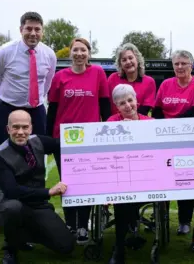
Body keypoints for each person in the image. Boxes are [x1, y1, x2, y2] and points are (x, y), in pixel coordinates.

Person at [0, 11, 57, 238]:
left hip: (36, 110)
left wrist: (34, 104)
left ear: (42, 31)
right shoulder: (5, 52)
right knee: (4, 162)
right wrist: (9, 106)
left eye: (37, 29)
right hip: (8, 108)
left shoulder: (49, 54)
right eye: (29, 29)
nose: (33, 33)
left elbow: (47, 83)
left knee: (36, 163)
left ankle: (34, 217)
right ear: (21, 30)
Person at [47, 37, 111, 244]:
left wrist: (106, 132)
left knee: (86, 184)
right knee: (67, 184)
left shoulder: (98, 73)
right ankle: (70, 225)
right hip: (63, 140)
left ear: (89, 54)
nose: (79, 54)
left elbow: (104, 105)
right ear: (70, 53)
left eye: (83, 50)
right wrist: (49, 139)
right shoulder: (59, 77)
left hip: (89, 140)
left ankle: (83, 226)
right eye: (75, 50)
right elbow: (53, 109)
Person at [0, 110, 75, 264]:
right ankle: (11, 247)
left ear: (31, 128)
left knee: (66, 247)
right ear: (8, 129)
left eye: (24, 127)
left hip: (38, 205)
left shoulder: (38, 140)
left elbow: (63, 144)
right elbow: (12, 191)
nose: (20, 132)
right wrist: (48, 191)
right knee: (12, 208)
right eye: (15, 127)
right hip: (12, 203)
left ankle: (26, 233)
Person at [152, 50, 194, 250]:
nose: (179, 67)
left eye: (184, 63)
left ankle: (185, 221)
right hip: (166, 140)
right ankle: (161, 219)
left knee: (185, 180)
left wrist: (172, 126)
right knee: (163, 179)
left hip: (189, 140)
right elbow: (157, 109)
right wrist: (165, 129)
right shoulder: (166, 84)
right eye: (176, 63)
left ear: (191, 66)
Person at [106, 84, 152, 264]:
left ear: (137, 101)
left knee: (124, 200)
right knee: (122, 197)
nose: (127, 105)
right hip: (120, 178)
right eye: (122, 103)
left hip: (146, 178)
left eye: (130, 100)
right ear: (117, 106)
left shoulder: (150, 122)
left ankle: (121, 243)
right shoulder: (111, 123)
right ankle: (119, 246)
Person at [107, 43, 156, 116]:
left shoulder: (149, 82)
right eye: (124, 60)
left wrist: (130, 120)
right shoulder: (112, 79)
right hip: (116, 123)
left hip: (138, 123)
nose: (128, 62)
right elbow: (108, 104)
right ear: (120, 64)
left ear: (137, 59)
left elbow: (146, 108)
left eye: (130, 58)